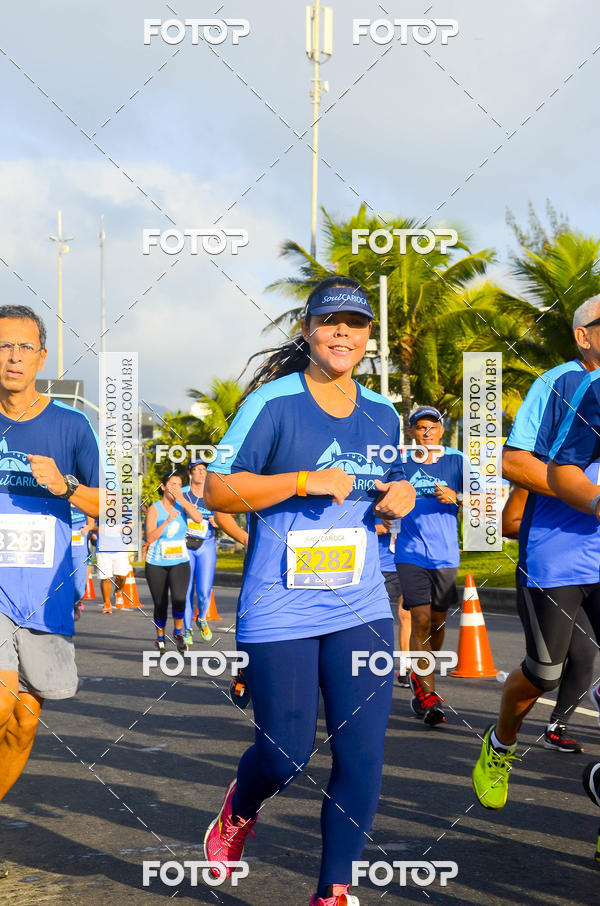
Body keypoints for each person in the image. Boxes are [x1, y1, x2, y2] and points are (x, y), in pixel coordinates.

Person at [202, 276, 416, 906]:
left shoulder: (383, 411)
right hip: (281, 605)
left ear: (369, 336)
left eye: (355, 322)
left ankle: (334, 890)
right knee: (286, 754)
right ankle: (239, 809)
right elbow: (219, 490)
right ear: (307, 330)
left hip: (361, 605)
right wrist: (301, 480)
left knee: (361, 756)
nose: (343, 332)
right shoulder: (274, 403)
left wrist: (400, 495)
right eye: (330, 321)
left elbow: (394, 483)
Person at [472, 294, 600, 809]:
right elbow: (513, 462)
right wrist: (587, 495)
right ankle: (500, 745)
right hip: (558, 555)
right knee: (545, 671)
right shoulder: (560, 385)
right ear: (583, 334)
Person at [0, 305, 100, 879]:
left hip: (44, 595)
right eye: (3, 346)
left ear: (42, 358)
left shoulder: (72, 426)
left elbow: (114, 508)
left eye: (23, 347)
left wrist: (66, 485)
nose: (12, 357)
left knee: (24, 721)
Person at [501, 486, 596, 752]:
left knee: (585, 654)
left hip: (590, 572)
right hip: (550, 574)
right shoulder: (540, 472)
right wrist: (564, 531)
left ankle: (557, 725)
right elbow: (508, 524)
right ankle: (501, 740)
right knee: (545, 675)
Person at [394, 406, 464, 726]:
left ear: (441, 430)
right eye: (420, 427)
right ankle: (427, 694)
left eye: (433, 426)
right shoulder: (401, 464)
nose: (427, 432)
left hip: (446, 556)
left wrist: (458, 497)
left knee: (437, 622)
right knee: (419, 619)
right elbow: (383, 498)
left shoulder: (457, 461)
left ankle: (423, 672)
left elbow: (484, 501)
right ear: (412, 433)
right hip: (410, 554)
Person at [182, 460, 248, 646]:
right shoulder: (184, 493)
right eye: (197, 470)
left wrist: (218, 520)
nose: (202, 473)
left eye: (204, 470)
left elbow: (228, 513)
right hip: (185, 546)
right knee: (186, 591)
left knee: (203, 592)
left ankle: (201, 618)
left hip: (207, 545)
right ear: (190, 473)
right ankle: (186, 629)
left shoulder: (213, 493)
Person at [144, 470, 207, 653]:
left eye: (179, 484)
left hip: (180, 561)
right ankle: (160, 637)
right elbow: (150, 536)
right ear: (163, 487)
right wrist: (167, 521)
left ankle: (178, 632)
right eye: (172, 484)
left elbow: (198, 518)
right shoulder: (155, 509)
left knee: (180, 599)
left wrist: (183, 500)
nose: (176, 488)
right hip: (156, 563)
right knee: (160, 604)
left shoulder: (182, 506)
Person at [375, 518, 411, 686]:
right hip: (380, 566)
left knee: (406, 615)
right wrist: (379, 528)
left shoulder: (411, 500)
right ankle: (375, 664)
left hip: (407, 564)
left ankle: (406, 668)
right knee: (378, 619)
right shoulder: (377, 499)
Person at [95, 531, 130, 613]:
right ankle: (107, 603)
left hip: (120, 549)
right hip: (103, 550)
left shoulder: (123, 517)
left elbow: (130, 524)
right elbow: (92, 524)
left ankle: (118, 592)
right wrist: (98, 528)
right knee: (106, 578)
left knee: (122, 576)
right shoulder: (99, 517)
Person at [71, 504, 93, 621]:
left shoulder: (83, 503)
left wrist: (88, 528)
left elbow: (92, 523)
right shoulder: (59, 502)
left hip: (79, 551)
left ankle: (75, 603)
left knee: (79, 587)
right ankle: (67, 608)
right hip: (61, 549)